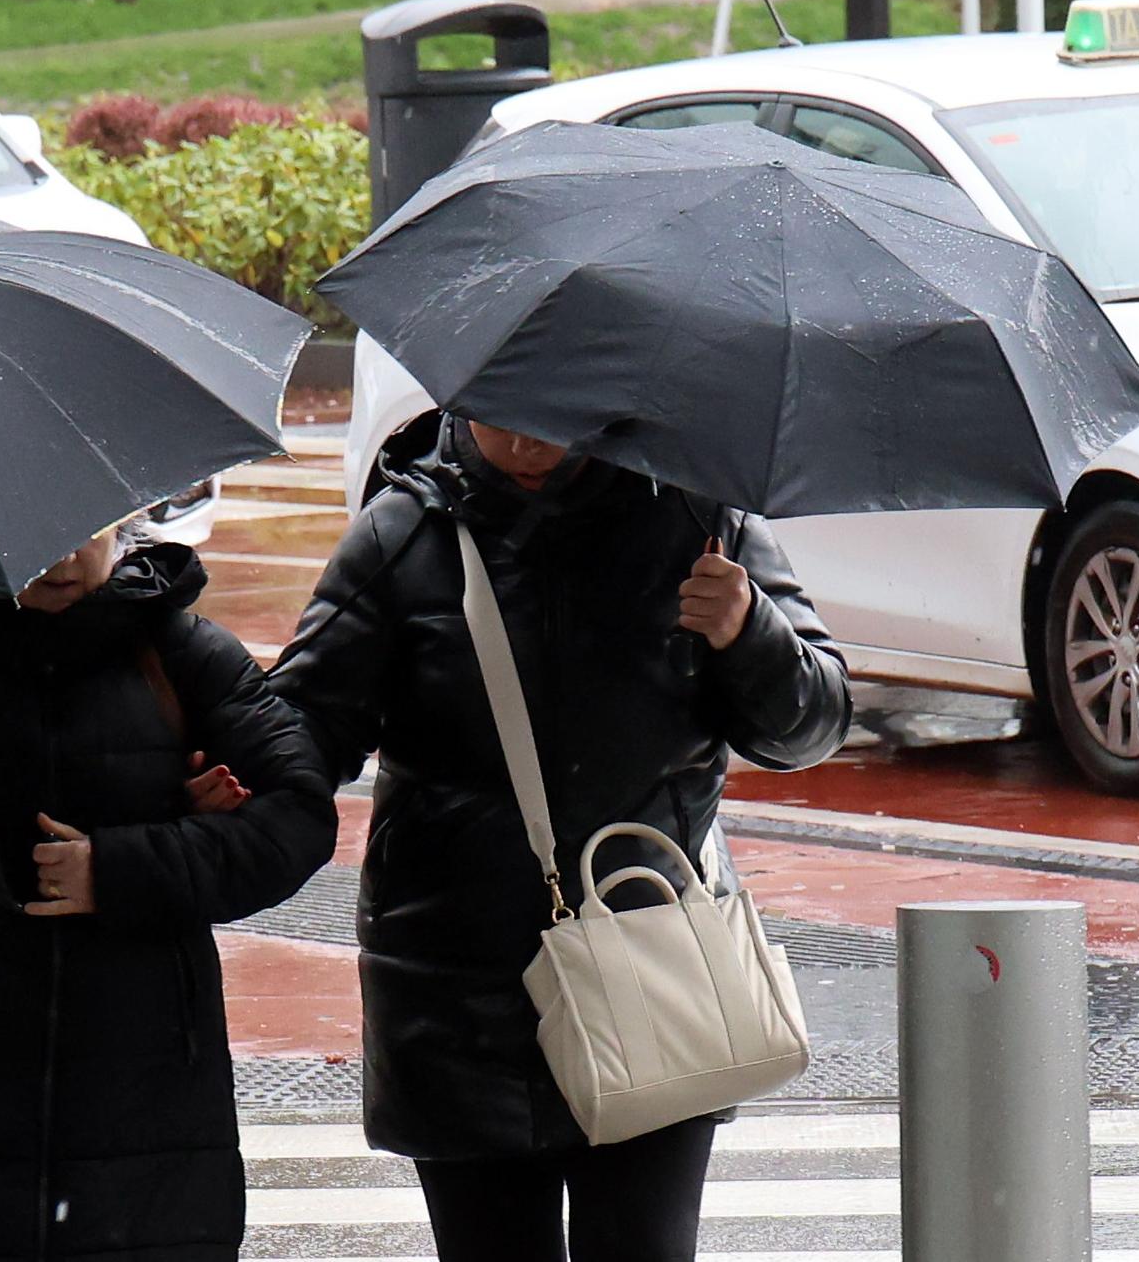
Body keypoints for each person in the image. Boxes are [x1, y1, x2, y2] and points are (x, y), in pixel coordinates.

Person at [268, 415, 851, 1261]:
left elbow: (814, 723)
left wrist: (746, 627)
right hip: (459, 990)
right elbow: (307, 728)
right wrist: (233, 775)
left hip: (652, 960)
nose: (525, 432)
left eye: (550, 408)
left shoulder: (695, 518)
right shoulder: (405, 536)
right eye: (499, 406)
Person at [0, 521, 337, 1262]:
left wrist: (119, 868)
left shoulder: (182, 655)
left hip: (152, 1124)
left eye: (82, 533)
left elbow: (300, 818)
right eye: (33, 536)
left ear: (120, 524)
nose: (59, 557)